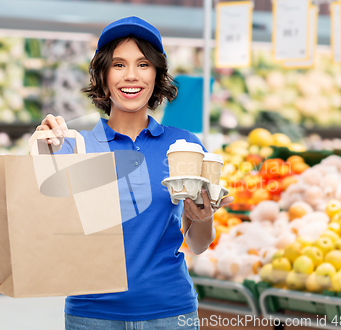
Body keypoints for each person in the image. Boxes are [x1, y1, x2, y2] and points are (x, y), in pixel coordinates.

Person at [35, 16, 234, 330]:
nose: (131, 76)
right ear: (102, 75)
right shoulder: (77, 144)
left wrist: (203, 217)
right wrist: (46, 154)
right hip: (92, 315)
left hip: (170, 313)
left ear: (157, 74)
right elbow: (48, 229)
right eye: (118, 65)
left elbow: (197, 244)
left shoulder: (183, 146)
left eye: (143, 64)